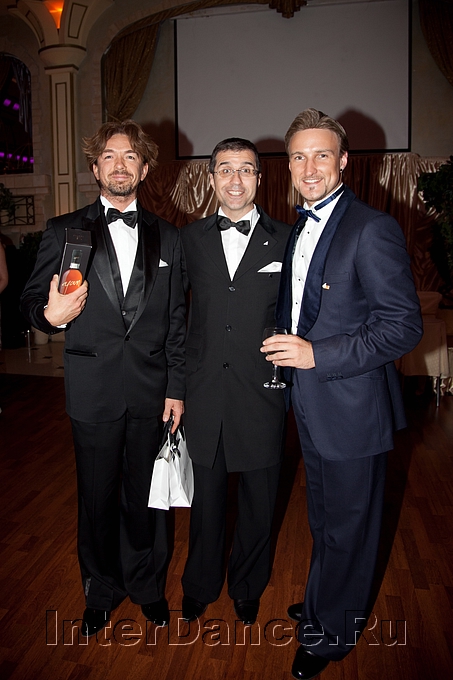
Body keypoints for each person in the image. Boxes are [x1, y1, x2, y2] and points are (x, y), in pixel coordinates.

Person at [261, 109, 423, 680]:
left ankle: (330, 635)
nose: (309, 168)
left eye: (322, 155)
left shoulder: (371, 228)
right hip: (310, 403)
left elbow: (403, 327)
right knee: (326, 518)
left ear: (344, 161)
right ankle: (326, 600)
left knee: (350, 527)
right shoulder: (299, 225)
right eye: (298, 157)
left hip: (353, 409)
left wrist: (316, 355)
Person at [21, 120, 185, 636]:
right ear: (95, 168)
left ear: (144, 168)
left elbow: (177, 320)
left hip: (151, 392)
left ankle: (148, 586)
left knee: (147, 498)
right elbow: (30, 300)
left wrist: (176, 388)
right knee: (96, 499)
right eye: (109, 156)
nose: (119, 165)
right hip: (92, 392)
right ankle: (100, 590)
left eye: (130, 156)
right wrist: (49, 316)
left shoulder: (169, 236)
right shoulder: (63, 231)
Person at [180, 138, 291, 625]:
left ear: (259, 178)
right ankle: (200, 585)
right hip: (204, 390)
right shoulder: (189, 239)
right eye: (225, 169)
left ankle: (248, 586)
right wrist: (175, 387)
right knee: (205, 500)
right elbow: (176, 316)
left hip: (262, 389)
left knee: (259, 500)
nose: (235, 179)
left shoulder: (287, 239)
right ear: (211, 178)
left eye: (245, 169)